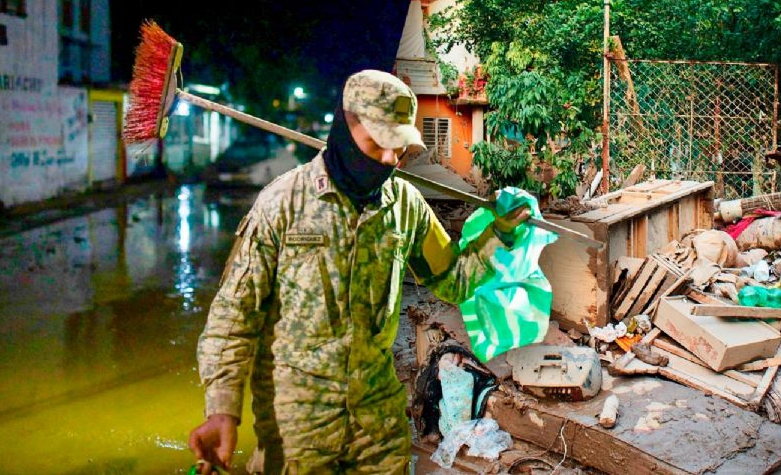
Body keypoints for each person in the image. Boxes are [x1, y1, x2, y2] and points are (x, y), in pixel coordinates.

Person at [189, 69, 530, 474]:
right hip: (295, 429)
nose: (390, 160)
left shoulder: (405, 204)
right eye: (379, 144)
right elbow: (233, 316)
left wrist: (500, 234)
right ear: (345, 129)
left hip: (378, 425)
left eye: (399, 150)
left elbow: (452, 280)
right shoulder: (281, 204)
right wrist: (222, 409)